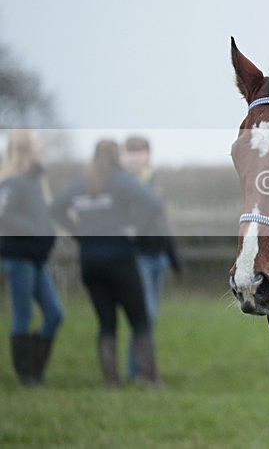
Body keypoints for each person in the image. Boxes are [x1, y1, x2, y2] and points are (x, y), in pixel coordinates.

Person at [50, 139, 162, 388]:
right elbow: (154, 204)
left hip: (89, 262)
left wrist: (78, 233)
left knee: (106, 324)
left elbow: (56, 208)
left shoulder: (82, 183)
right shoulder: (122, 180)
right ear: (117, 157)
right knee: (140, 321)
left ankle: (112, 380)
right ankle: (150, 378)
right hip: (120, 259)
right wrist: (137, 231)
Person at [0, 130, 63, 386]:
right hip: (18, 257)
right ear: (25, 147)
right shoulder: (12, 182)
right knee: (22, 314)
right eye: (38, 143)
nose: (42, 147)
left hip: (36, 259)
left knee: (54, 314)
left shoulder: (36, 182)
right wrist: (32, 228)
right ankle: (26, 376)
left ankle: (36, 370)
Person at [121, 135, 182, 381]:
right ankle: (139, 372)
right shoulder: (123, 185)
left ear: (148, 155)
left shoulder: (153, 184)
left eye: (140, 152)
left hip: (158, 257)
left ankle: (139, 369)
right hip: (138, 258)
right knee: (143, 313)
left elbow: (163, 225)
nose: (136, 157)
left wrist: (174, 260)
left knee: (150, 315)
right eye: (131, 152)